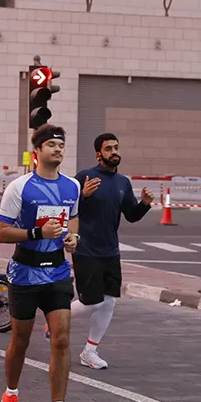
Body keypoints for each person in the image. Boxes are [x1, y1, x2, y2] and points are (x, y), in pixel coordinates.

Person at [0, 124, 83, 402]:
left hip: (58, 272)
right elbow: (2, 232)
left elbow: (73, 220)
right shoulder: (19, 187)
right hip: (25, 273)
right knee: (20, 342)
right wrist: (37, 233)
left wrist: (73, 239)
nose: (58, 149)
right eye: (51, 145)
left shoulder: (72, 186)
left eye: (61, 144)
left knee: (61, 340)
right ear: (37, 153)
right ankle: (11, 395)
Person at [72, 133, 154, 369]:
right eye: (109, 148)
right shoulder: (84, 177)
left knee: (109, 302)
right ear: (99, 153)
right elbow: (68, 207)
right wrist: (83, 195)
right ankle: (57, 318)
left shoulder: (123, 183)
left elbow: (131, 215)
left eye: (116, 147)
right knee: (91, 302)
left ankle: (90, 351)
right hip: (85, 248)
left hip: (110, 251)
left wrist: (145, 204)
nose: (114, 152)